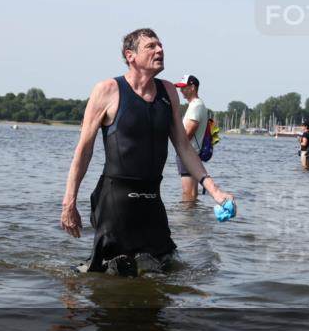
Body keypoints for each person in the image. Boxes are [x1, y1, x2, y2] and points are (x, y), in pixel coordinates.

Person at [60, 29, 234, 276]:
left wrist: (215, 191)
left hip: (152, 200)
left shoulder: (168, 92)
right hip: (115, 201)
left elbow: (183, 147)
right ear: (130, 56)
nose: (160, 50)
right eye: (151, 46)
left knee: (165, 267)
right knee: (111, 273)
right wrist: (69, 202)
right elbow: (84, 149)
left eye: (160, 45)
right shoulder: (107, 90)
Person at [173, 74, 208, 202]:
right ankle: (192, 218)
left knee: (188, 193)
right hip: (192, 152)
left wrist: (176, 141)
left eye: (184, 87)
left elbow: (188, 132)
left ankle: (186, 219)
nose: (181, 90)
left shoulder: (195, 106)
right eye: (180, 87)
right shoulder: (197, 105)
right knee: (192, 193)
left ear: (193, 87)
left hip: (187, 153)